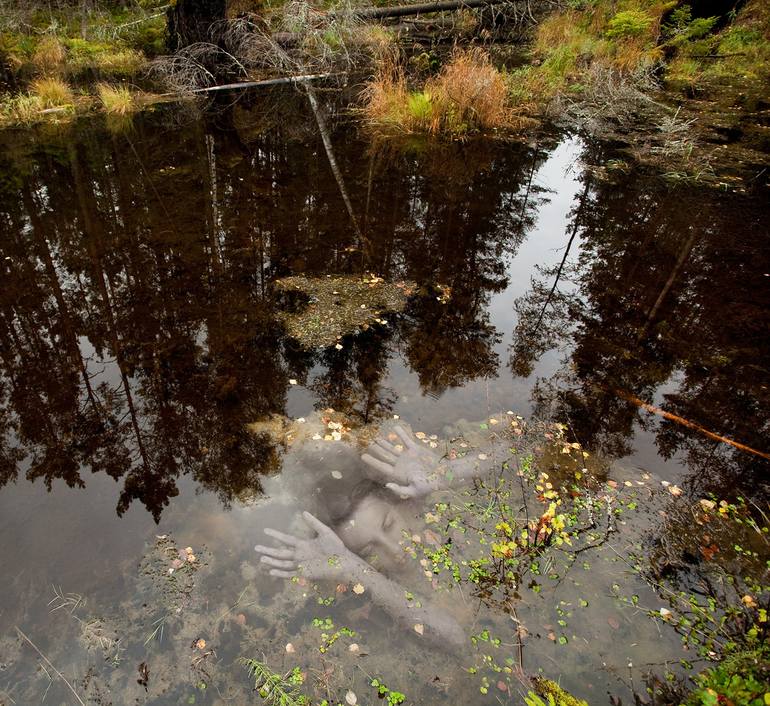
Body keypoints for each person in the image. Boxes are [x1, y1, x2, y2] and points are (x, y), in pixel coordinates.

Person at [254, 425, 514, 648]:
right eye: (368, 551)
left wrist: (448, 472)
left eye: (388, 524)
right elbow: (455, 638)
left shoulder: (439, 518)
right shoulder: (375, 600)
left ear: (401, 505)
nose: (394, 550)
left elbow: (513, 449)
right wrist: (351, 569)